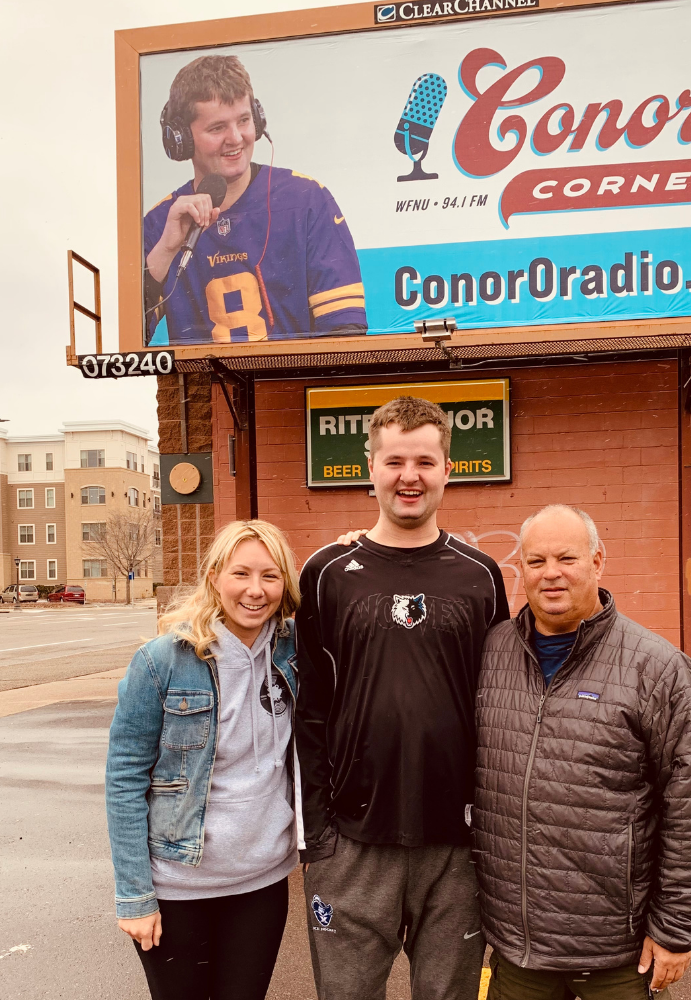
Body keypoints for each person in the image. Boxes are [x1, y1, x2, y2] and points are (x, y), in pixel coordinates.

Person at [296, 395, 511, 1000]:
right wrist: (319, 834)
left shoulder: (482, 575)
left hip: (457, 843)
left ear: (449, 468)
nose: (408, 476)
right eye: (394, 461)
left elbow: (500, 704)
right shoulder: (327, 572)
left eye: (424, 461)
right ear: (370, 467)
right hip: (352, 842)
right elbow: (308, 712)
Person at [473, 504, 691, 999]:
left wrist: (676, 928)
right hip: (518, 952)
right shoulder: (491, 652)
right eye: (536, 561)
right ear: (520, 568)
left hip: (617, 956)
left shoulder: (658, 668)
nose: (552, 574)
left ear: (598, 562)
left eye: (567, 558)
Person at [105, 520, 301, 1000]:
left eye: (270, 576)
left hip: (262, 883)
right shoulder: (163, 661)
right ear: (215, 576)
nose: (255, 591)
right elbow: (124, 778)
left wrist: (356, 544)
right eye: (241, 574)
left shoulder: (296, 653)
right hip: (178, 887)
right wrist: (135, 896)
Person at [144, 54, 367, 345]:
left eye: (244, 121)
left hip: (293, 387)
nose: (235, 138)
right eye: (217, 128)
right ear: (181, 139)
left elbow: (345, 333)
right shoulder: (161, 222)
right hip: (200, 390)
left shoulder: (307, 200)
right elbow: (129, 342)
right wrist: (165, 250)